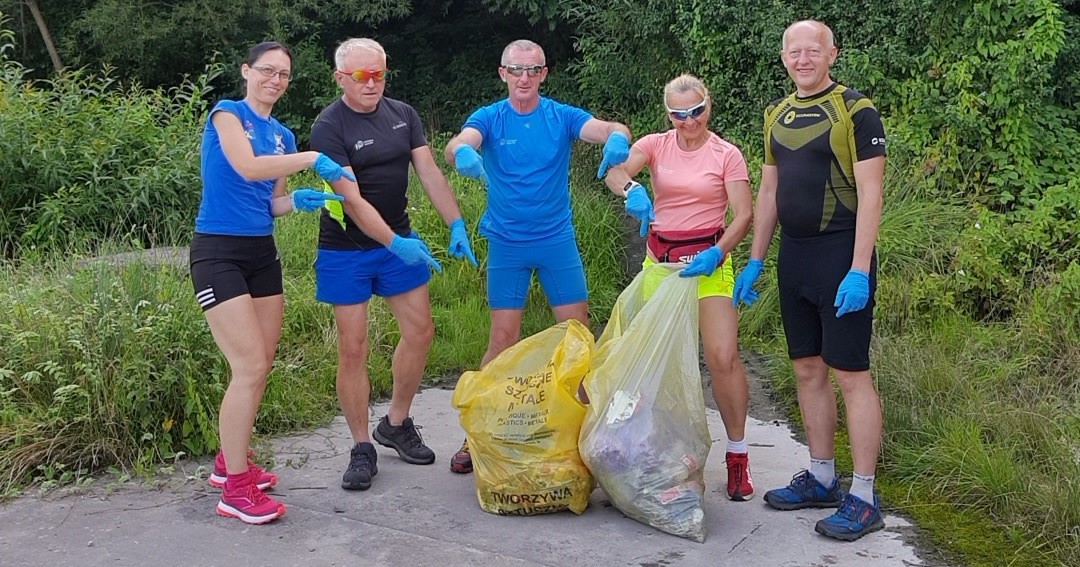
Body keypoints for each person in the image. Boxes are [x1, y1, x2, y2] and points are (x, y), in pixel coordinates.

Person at [443, 39, 632, 474]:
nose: (524, 78)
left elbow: (607, 127)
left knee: (577, 337)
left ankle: (586, 435)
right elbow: (460, 142)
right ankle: (476, 435)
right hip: (507, 242)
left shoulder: (560, 116)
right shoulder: (491, 117)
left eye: (533, 70)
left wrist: (619, 138)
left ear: (544, 74)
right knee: (502, 339)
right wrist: (463, 152)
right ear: (503, 73)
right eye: (516, 69)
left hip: (555, 240)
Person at [735, 20, 887, 541]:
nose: (803, 59)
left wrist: (860, 268)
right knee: (806, 368)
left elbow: (872, 193)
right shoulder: (776, 113)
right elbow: (769, 191)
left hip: (841, 255)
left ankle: (863, 496)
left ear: (832, 54)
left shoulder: (856, 110)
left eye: (813, 51)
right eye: (794, 52)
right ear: (783, 57)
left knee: (851, 373)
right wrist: (756, 260)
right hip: (795, 257)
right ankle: (822, 477)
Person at [192, 40, 353, 525]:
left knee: (261, 365)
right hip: (218, 251)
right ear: (247, 71)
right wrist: (311, 159)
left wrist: (298, 200)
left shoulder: (281, 134)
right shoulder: (228, 114)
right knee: (248, 366)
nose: (275, 80)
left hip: (261, 253)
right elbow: (246, 167)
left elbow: (271, 202)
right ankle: (235, 491)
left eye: (283, 74)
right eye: (267, 70)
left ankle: (229, 462)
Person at [309, 38, 477, 492]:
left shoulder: (403, 114)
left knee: (421, 331)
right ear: (340, 78)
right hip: (346, 248)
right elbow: (351, 199)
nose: (372, 83)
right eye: (362, 76)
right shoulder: (328, 127)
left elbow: (429, 172)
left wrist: (456, 223)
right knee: (353, 347)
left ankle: (396, 423)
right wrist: (394, 243)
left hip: (399, 239)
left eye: (379, 74)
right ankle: (362, 446)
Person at [602, 74, 757, 502]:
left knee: (722, 356)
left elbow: (744, 214)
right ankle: (653, 451)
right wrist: (631, 189)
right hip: (662, 263)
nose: (689, 121)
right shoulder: (656, 144)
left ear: (709, 105)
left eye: (696, 111)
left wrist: (719, 253)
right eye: (679, 114)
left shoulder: (726, 154)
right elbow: (615, 171)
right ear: (668, 113)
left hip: (709, 262)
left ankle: (738, 454)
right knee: (653, 361)